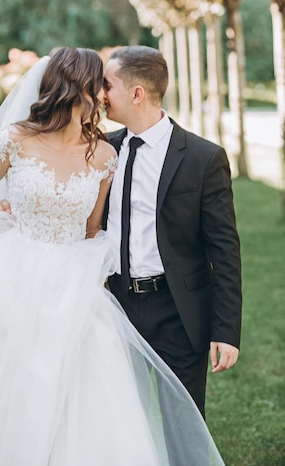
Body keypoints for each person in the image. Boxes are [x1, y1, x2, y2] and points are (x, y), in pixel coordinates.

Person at [0, 47, 226, 465]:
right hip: (8, 273)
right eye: (101, 85)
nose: (105, 95)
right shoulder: (18, 138)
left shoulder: (104, 154)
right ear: (81, 90)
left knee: (76, 393)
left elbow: (93, 229)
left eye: (108, 86)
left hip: (72, 284)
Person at [103, 45, 242, 419]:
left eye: (107, 84)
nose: (99, 94)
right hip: (113, 307)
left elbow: (224, 250)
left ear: (137, 93)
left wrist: (226, 329)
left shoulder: (203, 158)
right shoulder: (102, 151)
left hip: (177, 312)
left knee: (183, 424)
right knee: (120, 422)